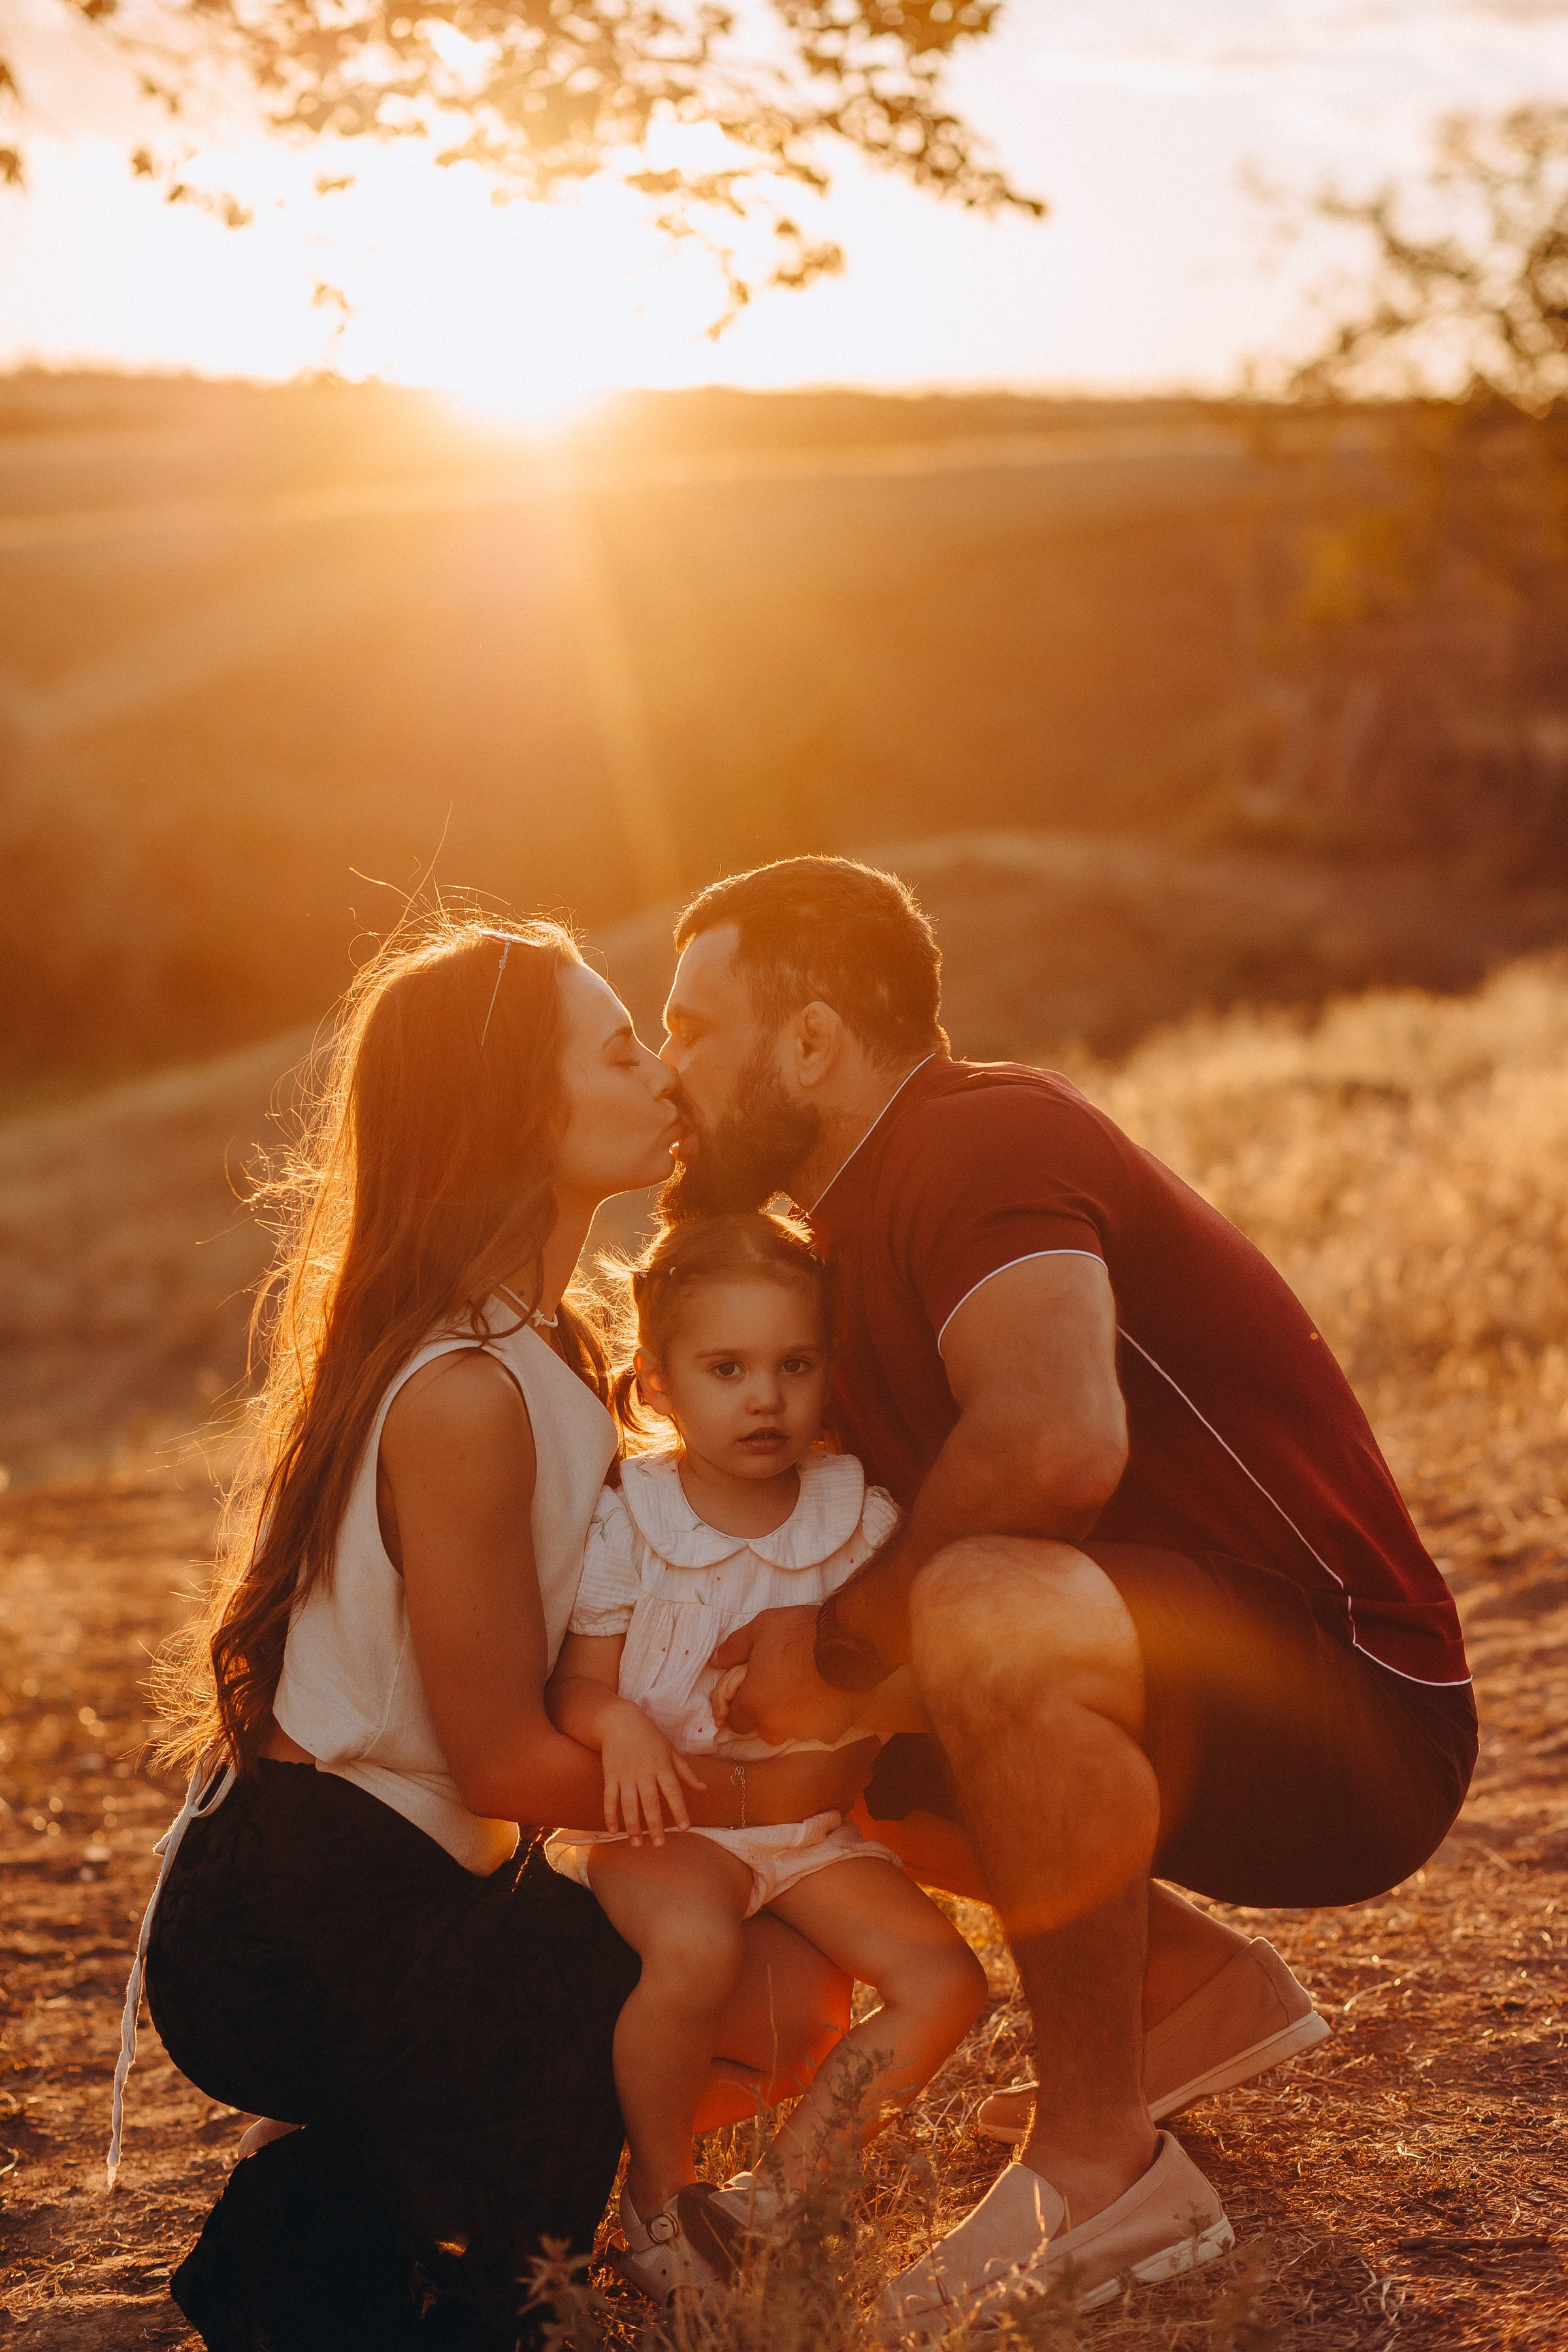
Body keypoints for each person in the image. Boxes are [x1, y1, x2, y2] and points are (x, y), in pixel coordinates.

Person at [657, 857, 1478, 2328]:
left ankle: (1105, 2170)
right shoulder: (845, 1236)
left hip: (1357, 1704)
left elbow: (1054, 1445)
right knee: (825, 1748)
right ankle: (1190, 1994)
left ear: (811, 1041)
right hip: (1195, 1685)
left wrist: (837, 1646)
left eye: (691, 1028)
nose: (671, 1070)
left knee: (973, 1606)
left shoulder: (977, 1140)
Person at [133, 918, 867, 2352]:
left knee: (791, 1991)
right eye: (619, 1050)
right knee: (703, 1979)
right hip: (297, 1922)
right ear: (516, 1107)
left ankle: (367, 2176)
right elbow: (499, 1765)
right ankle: (392, 2218)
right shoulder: (463, 1388)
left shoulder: (549, 1349)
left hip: (424, 1885)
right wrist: (779, 1797)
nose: (662, 1074)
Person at [542, 1211, 985, 2297]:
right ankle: (660, 2203)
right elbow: (576, 1691)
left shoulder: (858, 1519)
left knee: (946, 1980)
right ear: (658, 1386)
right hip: (664, 1825)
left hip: (809, 1830)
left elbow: (901, 1674)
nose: (765, 1398)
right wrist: (622, 1728)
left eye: (795, 1365)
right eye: (726, 1368)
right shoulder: (631, 1520)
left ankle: (775, 2202)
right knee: (692, 1948)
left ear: (830, 1371)